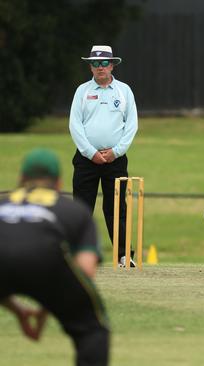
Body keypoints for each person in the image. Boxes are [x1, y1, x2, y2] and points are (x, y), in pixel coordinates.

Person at [0, 148, 109, 366]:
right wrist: (52, 303)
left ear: (21, 179)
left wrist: (18, 310)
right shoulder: (74, 210)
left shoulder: (3, 203)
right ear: (59, 184)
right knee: (92, 330)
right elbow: (85, 270)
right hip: (48, 263)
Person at [69, 45, 138, 267]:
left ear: (112, 65)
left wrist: (116, 152)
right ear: (91, 67)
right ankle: (78, 255)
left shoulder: (124, 91)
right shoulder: (82, 91)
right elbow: (74, 125)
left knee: (117, 208)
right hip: (86, 159)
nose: (100, 67)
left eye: (104, 63)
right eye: (95, 64)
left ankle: (124, 256)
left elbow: (132, 125)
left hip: (115, 160)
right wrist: (90, 152)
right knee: (81, 208)